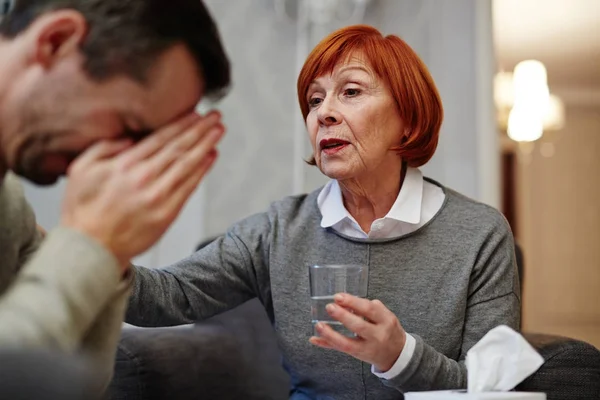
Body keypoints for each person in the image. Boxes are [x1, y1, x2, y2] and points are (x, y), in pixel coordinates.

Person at [126, 25, 520, 398]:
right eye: (315, 100)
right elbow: (169, 296)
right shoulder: (278, 230)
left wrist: (399, 355)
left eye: (350, 92)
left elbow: (490, 388)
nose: (323, 114)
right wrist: (89, 249)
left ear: (408, 119)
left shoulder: (479, 234)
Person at [0, 0, 229, 395]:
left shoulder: (10, 206)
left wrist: (113, 254)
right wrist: (90, 244)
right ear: (56, 41)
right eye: (128, 127)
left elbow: (77, 384)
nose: (120, 164)